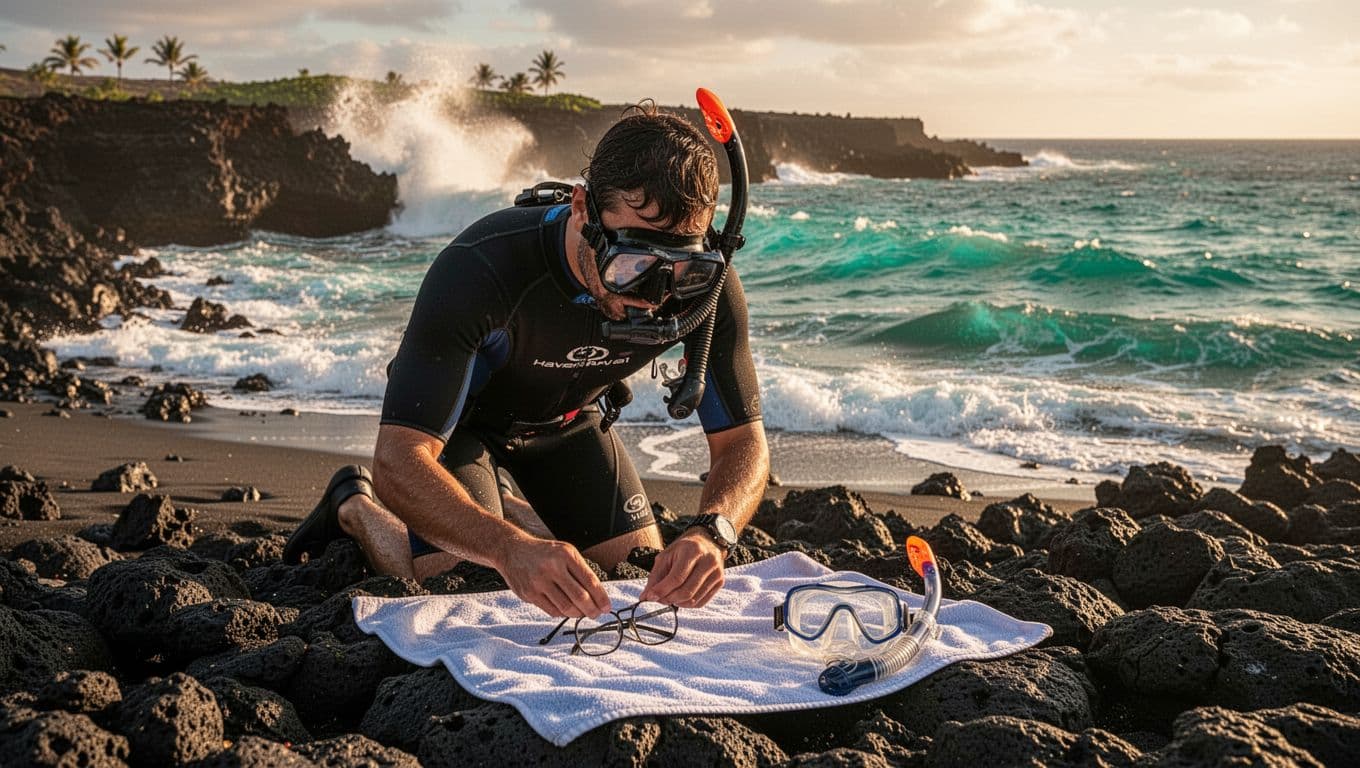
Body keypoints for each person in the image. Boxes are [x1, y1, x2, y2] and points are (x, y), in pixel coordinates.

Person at [284, 102, 769, 620]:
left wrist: (713, 531)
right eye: (631, 264)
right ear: (583, 210)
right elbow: (399, 461)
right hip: (460, 432)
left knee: (634, 574)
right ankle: (355, 507)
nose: (653, 297)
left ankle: (502, 507)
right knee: (462, 583)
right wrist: (507, 549)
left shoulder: (706, 289)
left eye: (679, 268)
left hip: (568, 425)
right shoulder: (483, 267)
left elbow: (743, 442)